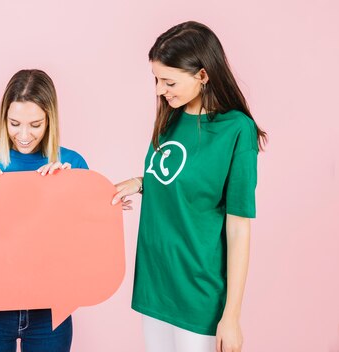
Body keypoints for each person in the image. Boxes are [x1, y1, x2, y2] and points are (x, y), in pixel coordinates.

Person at [112, 21, 267, 352]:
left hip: (198, 295)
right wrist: (140, 183)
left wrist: (231, 316)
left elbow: (239, 227)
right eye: (156, 79)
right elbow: (180, 180)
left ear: (203, 75)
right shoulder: (172, 115)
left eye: (168, 81)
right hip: (155, 285)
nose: (159, 90)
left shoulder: (237, 131)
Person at [0, 69, 88, 352]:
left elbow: (84, 246)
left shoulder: (72, 164)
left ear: (50, 120)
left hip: (50, 310)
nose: (24, 135)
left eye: (35, 124)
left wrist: (69, 191)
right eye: (14, 123)